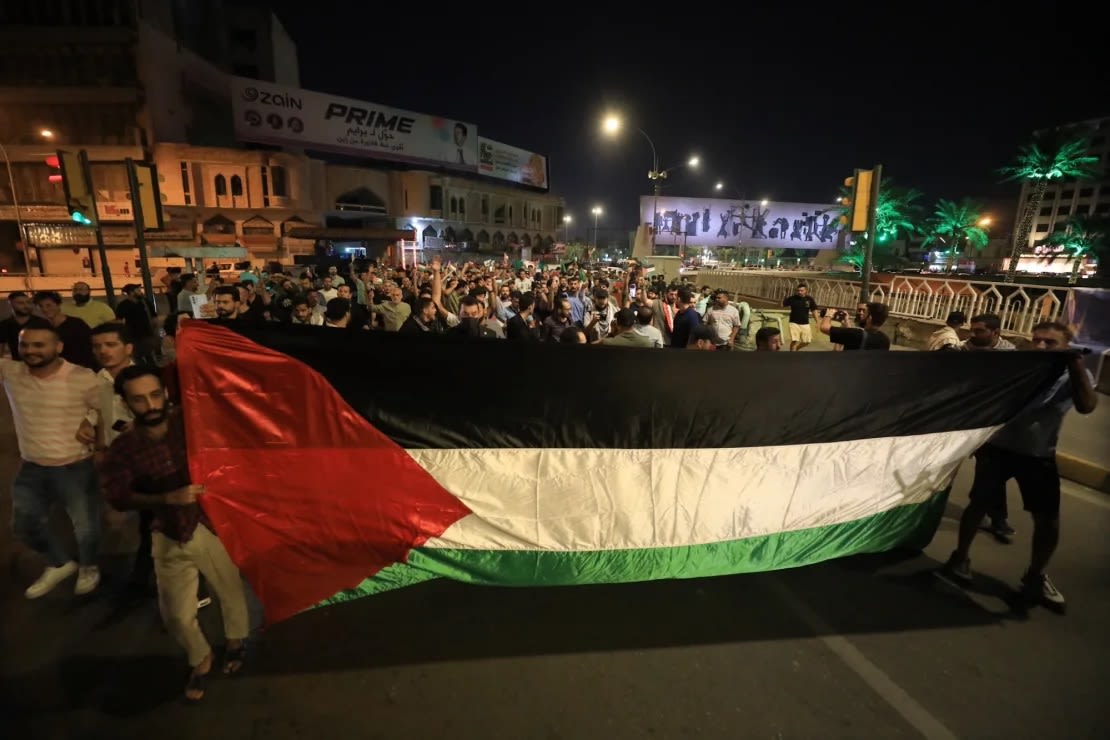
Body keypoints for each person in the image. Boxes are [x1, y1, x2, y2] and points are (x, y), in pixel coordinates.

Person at [99, 366, 251, 702]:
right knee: (177, 614)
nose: (150, 404)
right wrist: (165, 498)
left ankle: (237, 642)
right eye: (139, 399)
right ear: (125, 404)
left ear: (166, 393)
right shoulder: (123, 448)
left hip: (209, 524)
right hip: (167, 531)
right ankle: (201, 657)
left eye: (155, 395)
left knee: (229, 590)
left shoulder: (190, 424)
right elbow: (118, 496)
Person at [942, 321, 1098, 612]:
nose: (1040, 347)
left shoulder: (1072, 374)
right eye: (1036, 340)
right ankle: (960, 558)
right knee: (978, 505)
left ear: (1066, 346)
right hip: (998, 449)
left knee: (1047, 519)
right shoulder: (1018, 367)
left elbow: (1087, 405)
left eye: (1050, 343)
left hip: (1038, 455)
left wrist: (1075, 365)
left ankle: (1036, 576)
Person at [2, 318, 103, 598]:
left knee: (85, 527)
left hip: (75, 465)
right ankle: (60, 563)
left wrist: (89, 420)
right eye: (25, 344)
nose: (31, 350)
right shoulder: (10, 372)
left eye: (39, 345)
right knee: (23, 526)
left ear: (58, 346)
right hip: (31, 466)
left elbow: (103, 407)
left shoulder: (82, 376)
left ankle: (89, 566)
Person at [819, 302, 891, 350]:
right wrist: (847, 325)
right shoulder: (885, 340)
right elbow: (853, 337)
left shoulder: (857, 334)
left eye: (865, 312)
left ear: (870, 318)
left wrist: (829, 313)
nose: (862, 314)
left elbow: (824, 327)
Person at [782, 284, 818, 351]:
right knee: (795, 340)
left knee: (807, 342)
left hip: (805, 323)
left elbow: (814, 310)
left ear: (806, 291)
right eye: (798, 290)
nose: (800, 292)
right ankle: (792, 357)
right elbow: (782, 305)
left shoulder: (809, 299)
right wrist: (784, 296)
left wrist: (817, 322)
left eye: (802, 290)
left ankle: (797, 349)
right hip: (794, 322)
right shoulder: (792, 298)